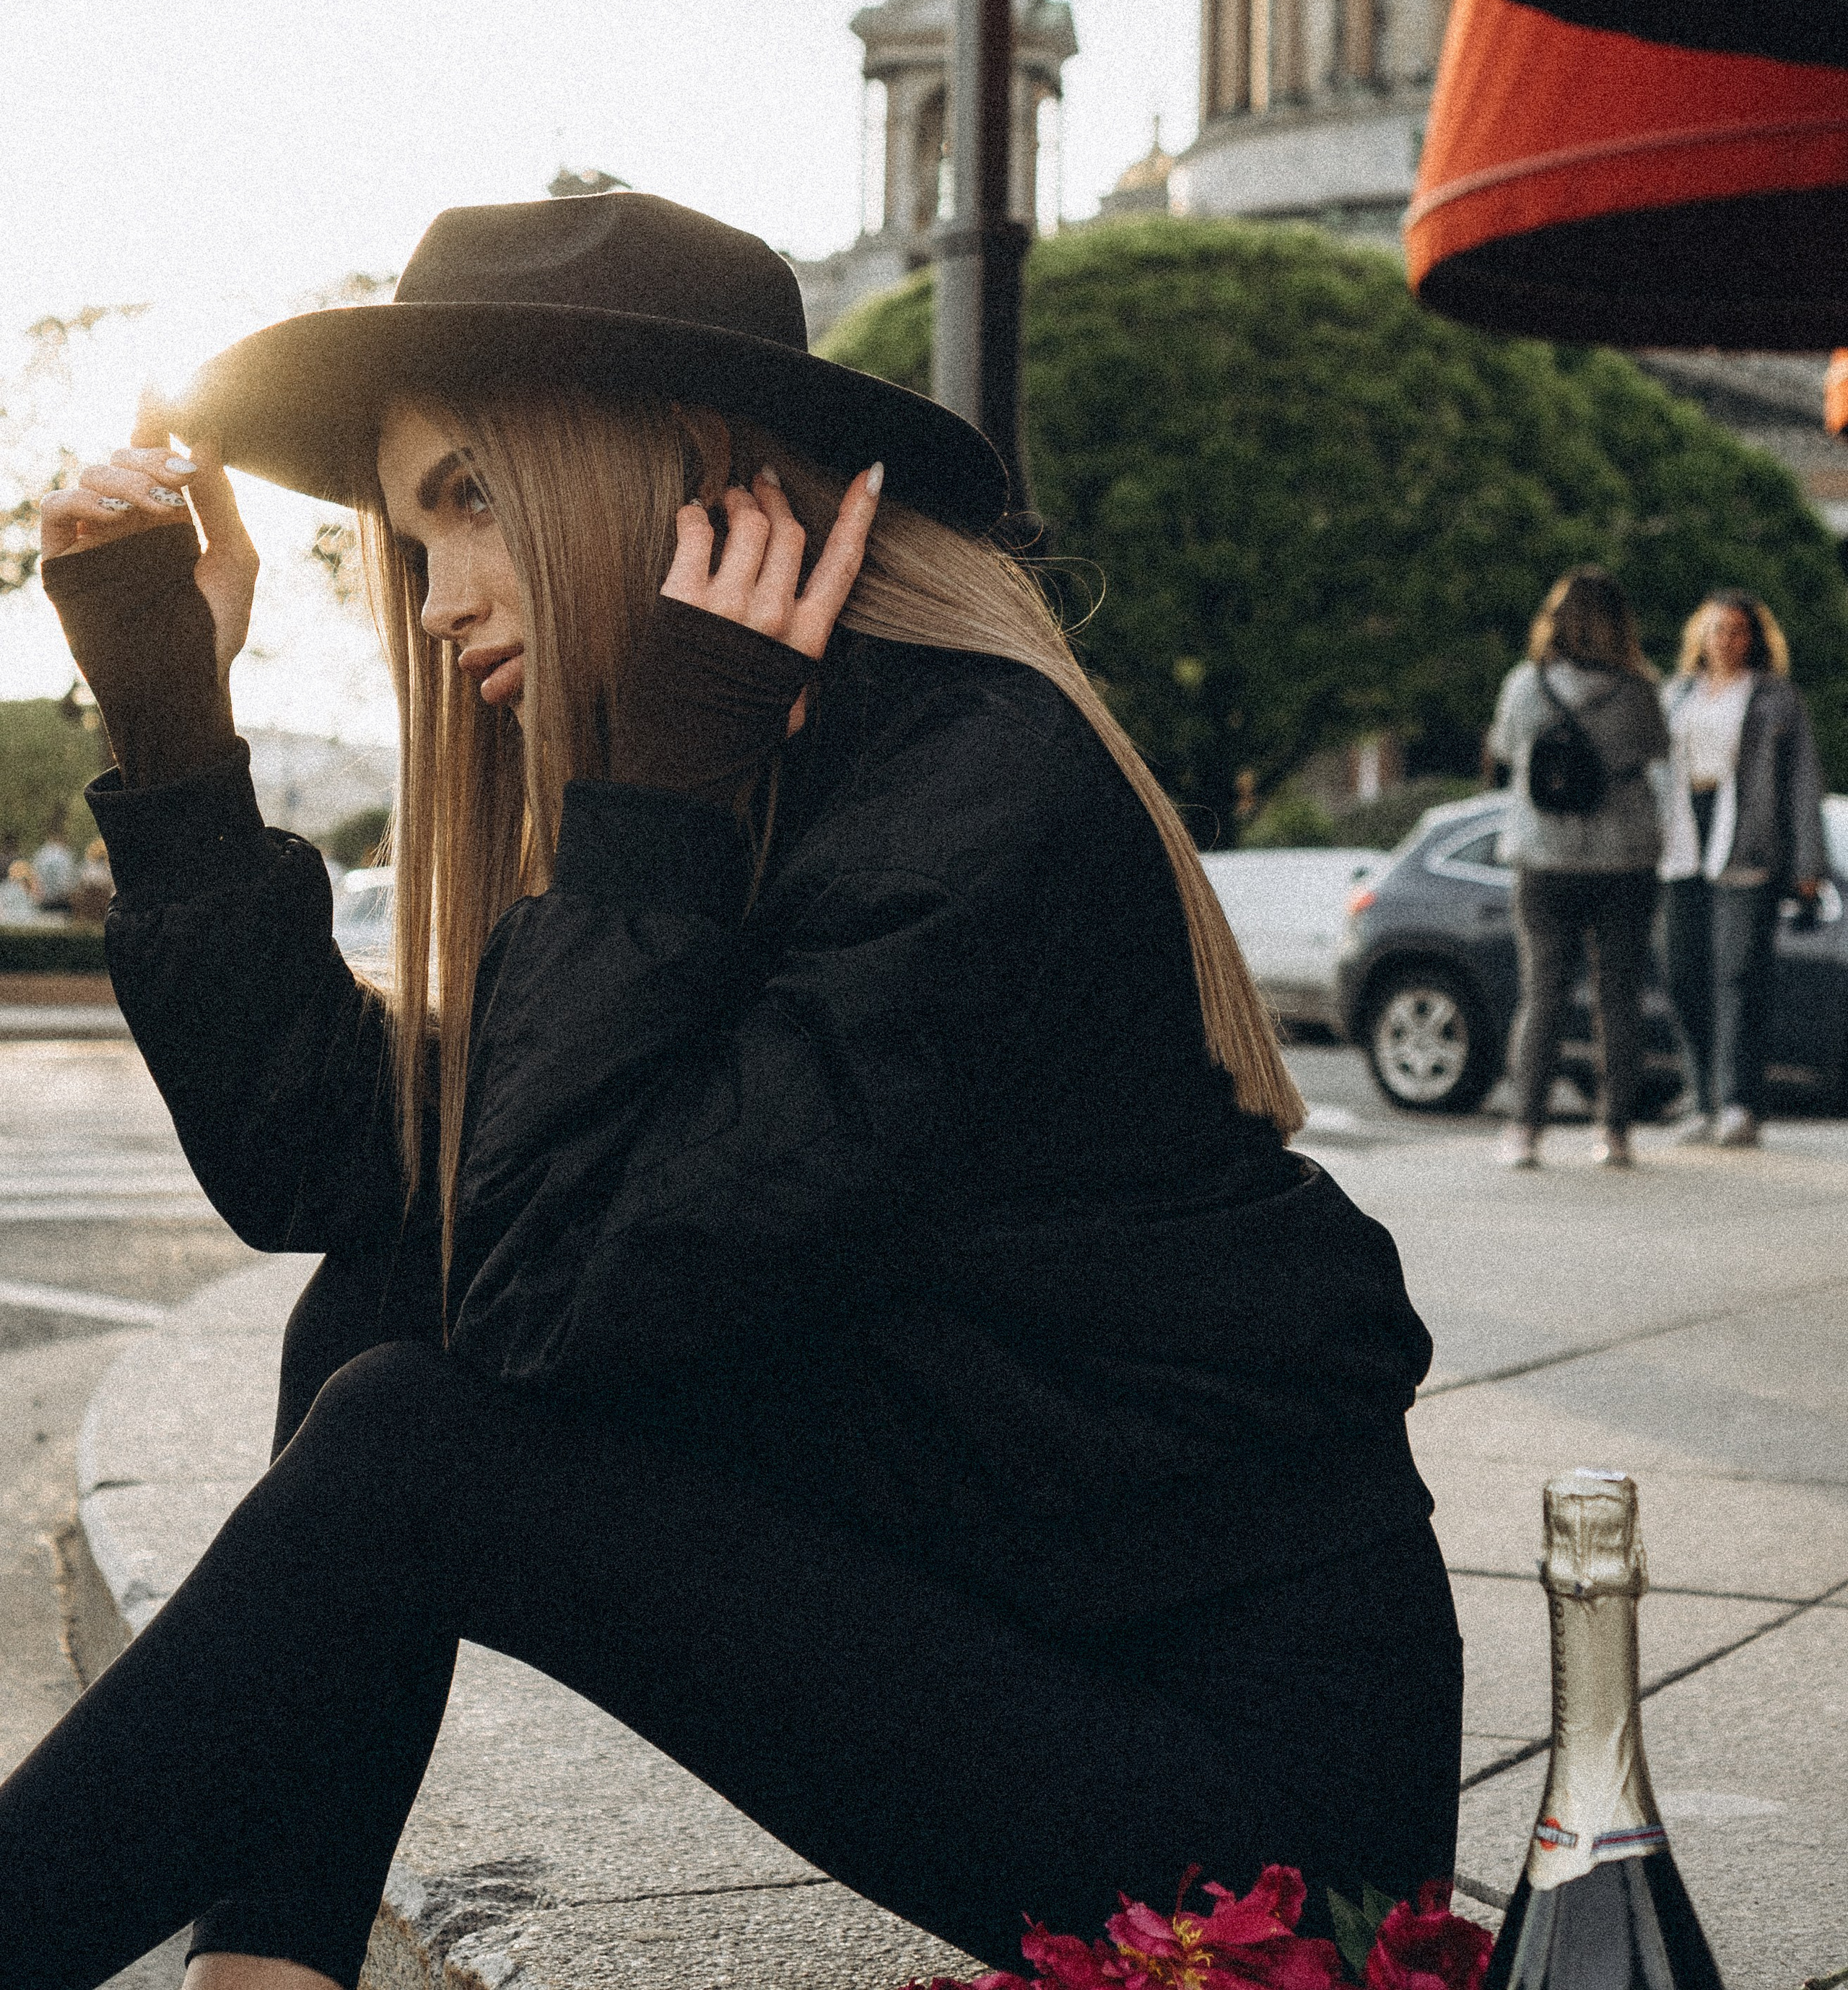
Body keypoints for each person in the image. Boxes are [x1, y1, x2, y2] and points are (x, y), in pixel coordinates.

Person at [5, 194, 1461, 1990]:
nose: (437, 591)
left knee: (407, 1422)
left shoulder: (967, 784)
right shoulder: (730, 767)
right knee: (377, 1293)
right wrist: (170, 724)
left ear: (680, 480)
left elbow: (540, 1305)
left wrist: (658, 806)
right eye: (410, 532)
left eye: (468, 497)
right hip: (1016, 1611)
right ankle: (269, 1974)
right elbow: (336, 1164)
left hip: (1247, 1823)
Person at [1487, 568, 1669, 1169]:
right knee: (1619, 999)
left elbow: (1509, 751)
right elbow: (1655, 754)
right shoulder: (1640, 691)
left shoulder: (1524, 687)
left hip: (1542, 859)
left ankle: (1524, 1131)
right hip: (1624, 860)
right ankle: (1614, 1131)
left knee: (1541, 997)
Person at [1660, 589, 1825, 1147]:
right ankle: (1702, 1098)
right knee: (1683, 971)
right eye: (1716, 629)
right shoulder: (1677, 694)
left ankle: (1738, 1103)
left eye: (1737, 630)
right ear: (1699, 636)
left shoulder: (1776, 698)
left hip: (1747, 842)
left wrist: (1809, 862)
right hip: (1683, 838)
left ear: (1753, 638)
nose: (1726, 640)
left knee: (1738, 976)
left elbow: (1803, 782)